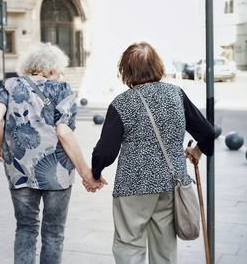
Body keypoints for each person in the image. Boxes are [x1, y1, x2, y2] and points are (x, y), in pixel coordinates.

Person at [89, 42, 215, 263]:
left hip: (132, 188)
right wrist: (196, 151)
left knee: (129, 245)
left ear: (126, 71)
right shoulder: (176, 94)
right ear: (157, 66)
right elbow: (206, 132)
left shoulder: (122, 103)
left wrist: (96, 172)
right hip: (170, 184)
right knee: (165, 248)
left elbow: (105, 152)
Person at [0, 43, 106, 264]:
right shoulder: (62, 89)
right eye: (59, 70)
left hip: (19, 170)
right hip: (57, 172)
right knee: (53, 232)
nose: (59, 75)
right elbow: (64, 131)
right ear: (51, 69)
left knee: (25, 227)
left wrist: (1, 146)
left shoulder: (10, 85)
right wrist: (85, 172)